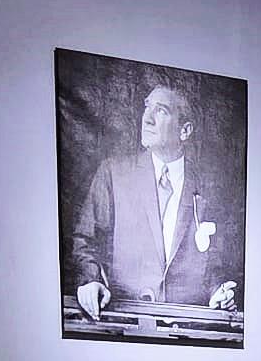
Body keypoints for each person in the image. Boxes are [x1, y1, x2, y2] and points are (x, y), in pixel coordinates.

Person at [68, 84, 242, 319]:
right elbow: (86, 242)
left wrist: (217, 293)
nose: (147, 118)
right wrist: (91, 281)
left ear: (184, 131)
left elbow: (214, 262)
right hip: (123, 321)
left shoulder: (209, 187)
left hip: (187, 326)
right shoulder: (113, 174)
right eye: (147, 107)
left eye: (161, 110)